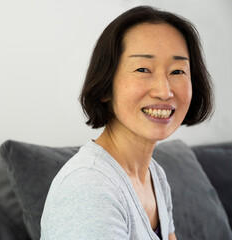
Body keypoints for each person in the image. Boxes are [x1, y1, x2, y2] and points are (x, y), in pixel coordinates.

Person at [40, 5, 213, 240]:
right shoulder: (89, 188)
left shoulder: (155, 175)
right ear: (105, 87)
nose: (164, 91)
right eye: (143, 69)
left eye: (177, 71)